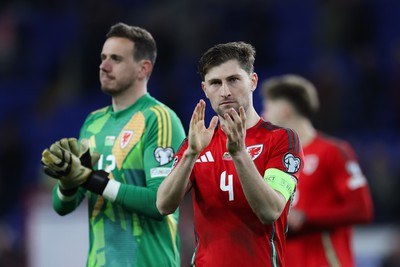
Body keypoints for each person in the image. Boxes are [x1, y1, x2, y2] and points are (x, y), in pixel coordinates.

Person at [41, 23, 185, 267]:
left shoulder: (159, 119)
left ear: (143, 68)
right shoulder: (94, 122)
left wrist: (90, 180)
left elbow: (160, 203)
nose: (103, 66)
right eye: (103, 57)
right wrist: (68, 182)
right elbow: (62, 207)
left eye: (116, 59)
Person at [156, 41, 303, 267]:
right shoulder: (197, 142)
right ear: (204, 89)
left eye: (233, 80)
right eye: (215, 83)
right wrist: (191, 154)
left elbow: (270, 210)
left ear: (252, 81)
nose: (225, 92)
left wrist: (239, 154)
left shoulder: (282, 139)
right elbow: (163, 205)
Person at [261, 74, 374, 267]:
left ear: (285, 110)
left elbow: (361, 209)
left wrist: (306, 218)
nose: (264, 116)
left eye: (268, 108)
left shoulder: (332, 151)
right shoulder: (272, 160)